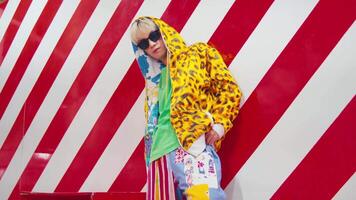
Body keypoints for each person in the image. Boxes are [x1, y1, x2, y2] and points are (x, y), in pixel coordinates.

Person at [130, 16, 241, 200]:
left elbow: (228, 89)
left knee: (205, 197)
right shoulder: (153, 82)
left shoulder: (197, 54)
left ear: (164, 31)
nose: (151, 44)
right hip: (158, 155)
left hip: (190, 146)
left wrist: (219, 125)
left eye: (154, 35)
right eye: (143, 43)